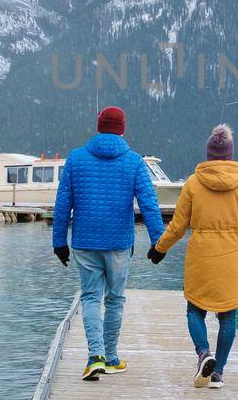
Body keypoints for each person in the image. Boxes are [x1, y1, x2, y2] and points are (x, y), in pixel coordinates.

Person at [52, 106, 165, 380]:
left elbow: (62, 205)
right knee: (115, 299)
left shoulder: (76, 159)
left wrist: (59, 242)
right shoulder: (135, 162)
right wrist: (158, 242)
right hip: (118, 244)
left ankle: (95, 357)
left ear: (99, 126)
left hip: (85, 241)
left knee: (90, 297)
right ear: (123, 129)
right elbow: (149, 204)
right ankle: (111, 358)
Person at [149, 123, 238, 389]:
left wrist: (160, 248)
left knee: (195, 309)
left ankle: (203, 353)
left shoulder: (193, 183)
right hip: (233, 256)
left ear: (209, 154)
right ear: (230, 154)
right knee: (228, 315)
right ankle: (218, 372)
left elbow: (178, 226)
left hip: (201, 256)